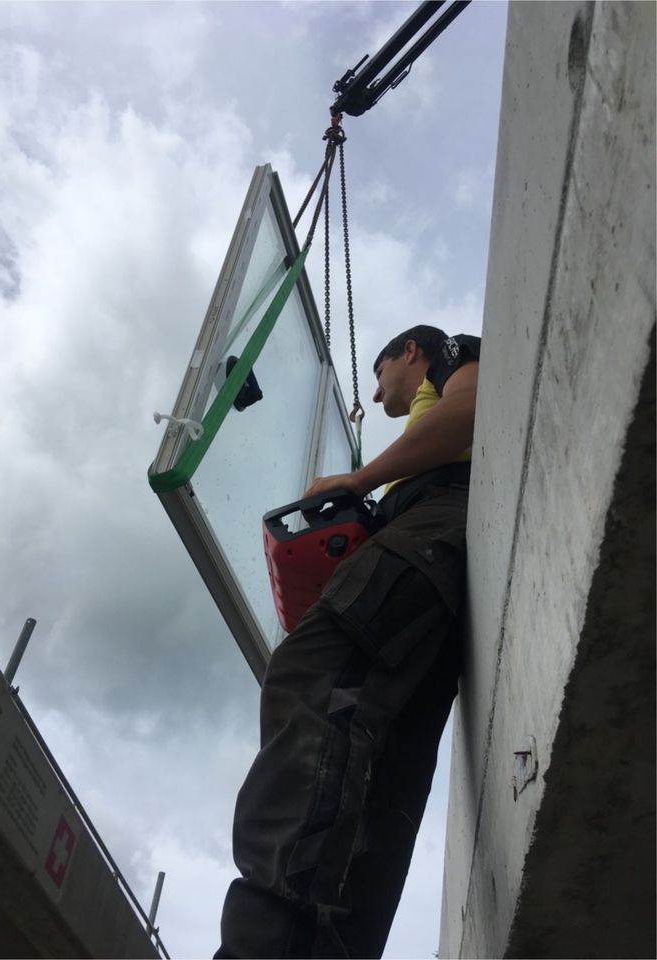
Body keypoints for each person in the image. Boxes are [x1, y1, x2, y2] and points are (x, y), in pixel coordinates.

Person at [216, 325, 481, 959]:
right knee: (385, 763)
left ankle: (269, 940)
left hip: (436, 526)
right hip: (436, 549)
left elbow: (471, 414)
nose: (376, 387)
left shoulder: (451, 356)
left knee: (309, 676)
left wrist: (358, 481)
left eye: (379, 370)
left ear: (410, 353)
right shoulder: (426, 414)